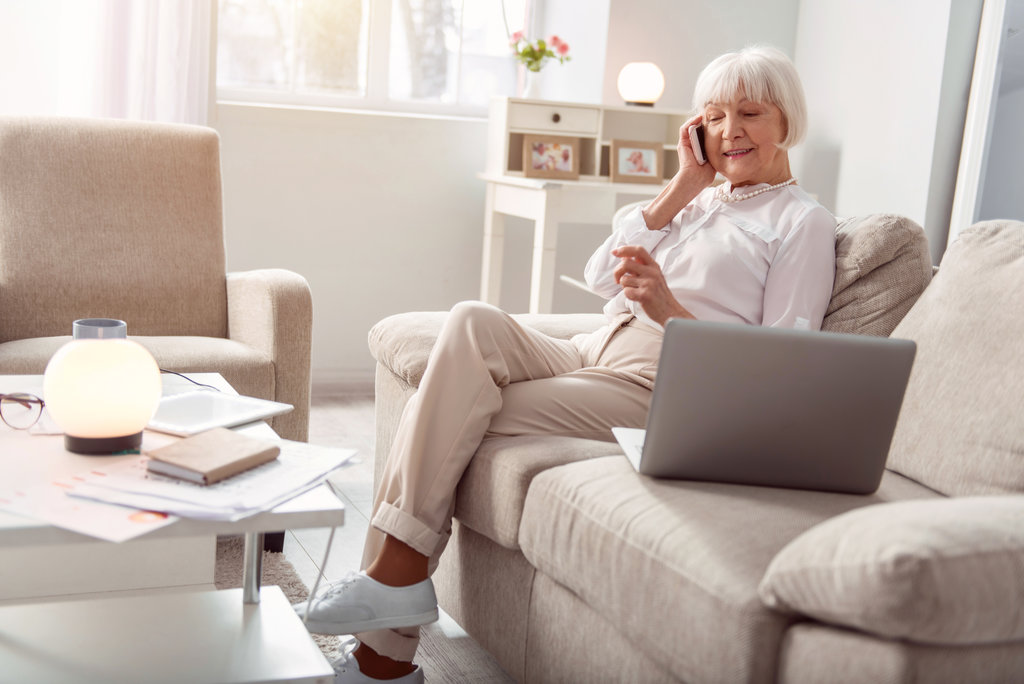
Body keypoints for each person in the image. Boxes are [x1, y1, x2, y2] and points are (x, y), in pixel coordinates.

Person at [297, 45, 836, 683]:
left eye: (749, 113)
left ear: (786, 122)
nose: (729, 131)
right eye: (714, 116)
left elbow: (781, 367)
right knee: (471, 321)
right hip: (592, 348)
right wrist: (682, 187)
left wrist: (668, 308)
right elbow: (596, 276)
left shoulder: (802, 223)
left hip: (662, 379)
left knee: (437, 407)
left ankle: (384, 640)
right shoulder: (696, 202)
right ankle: (392, 607)